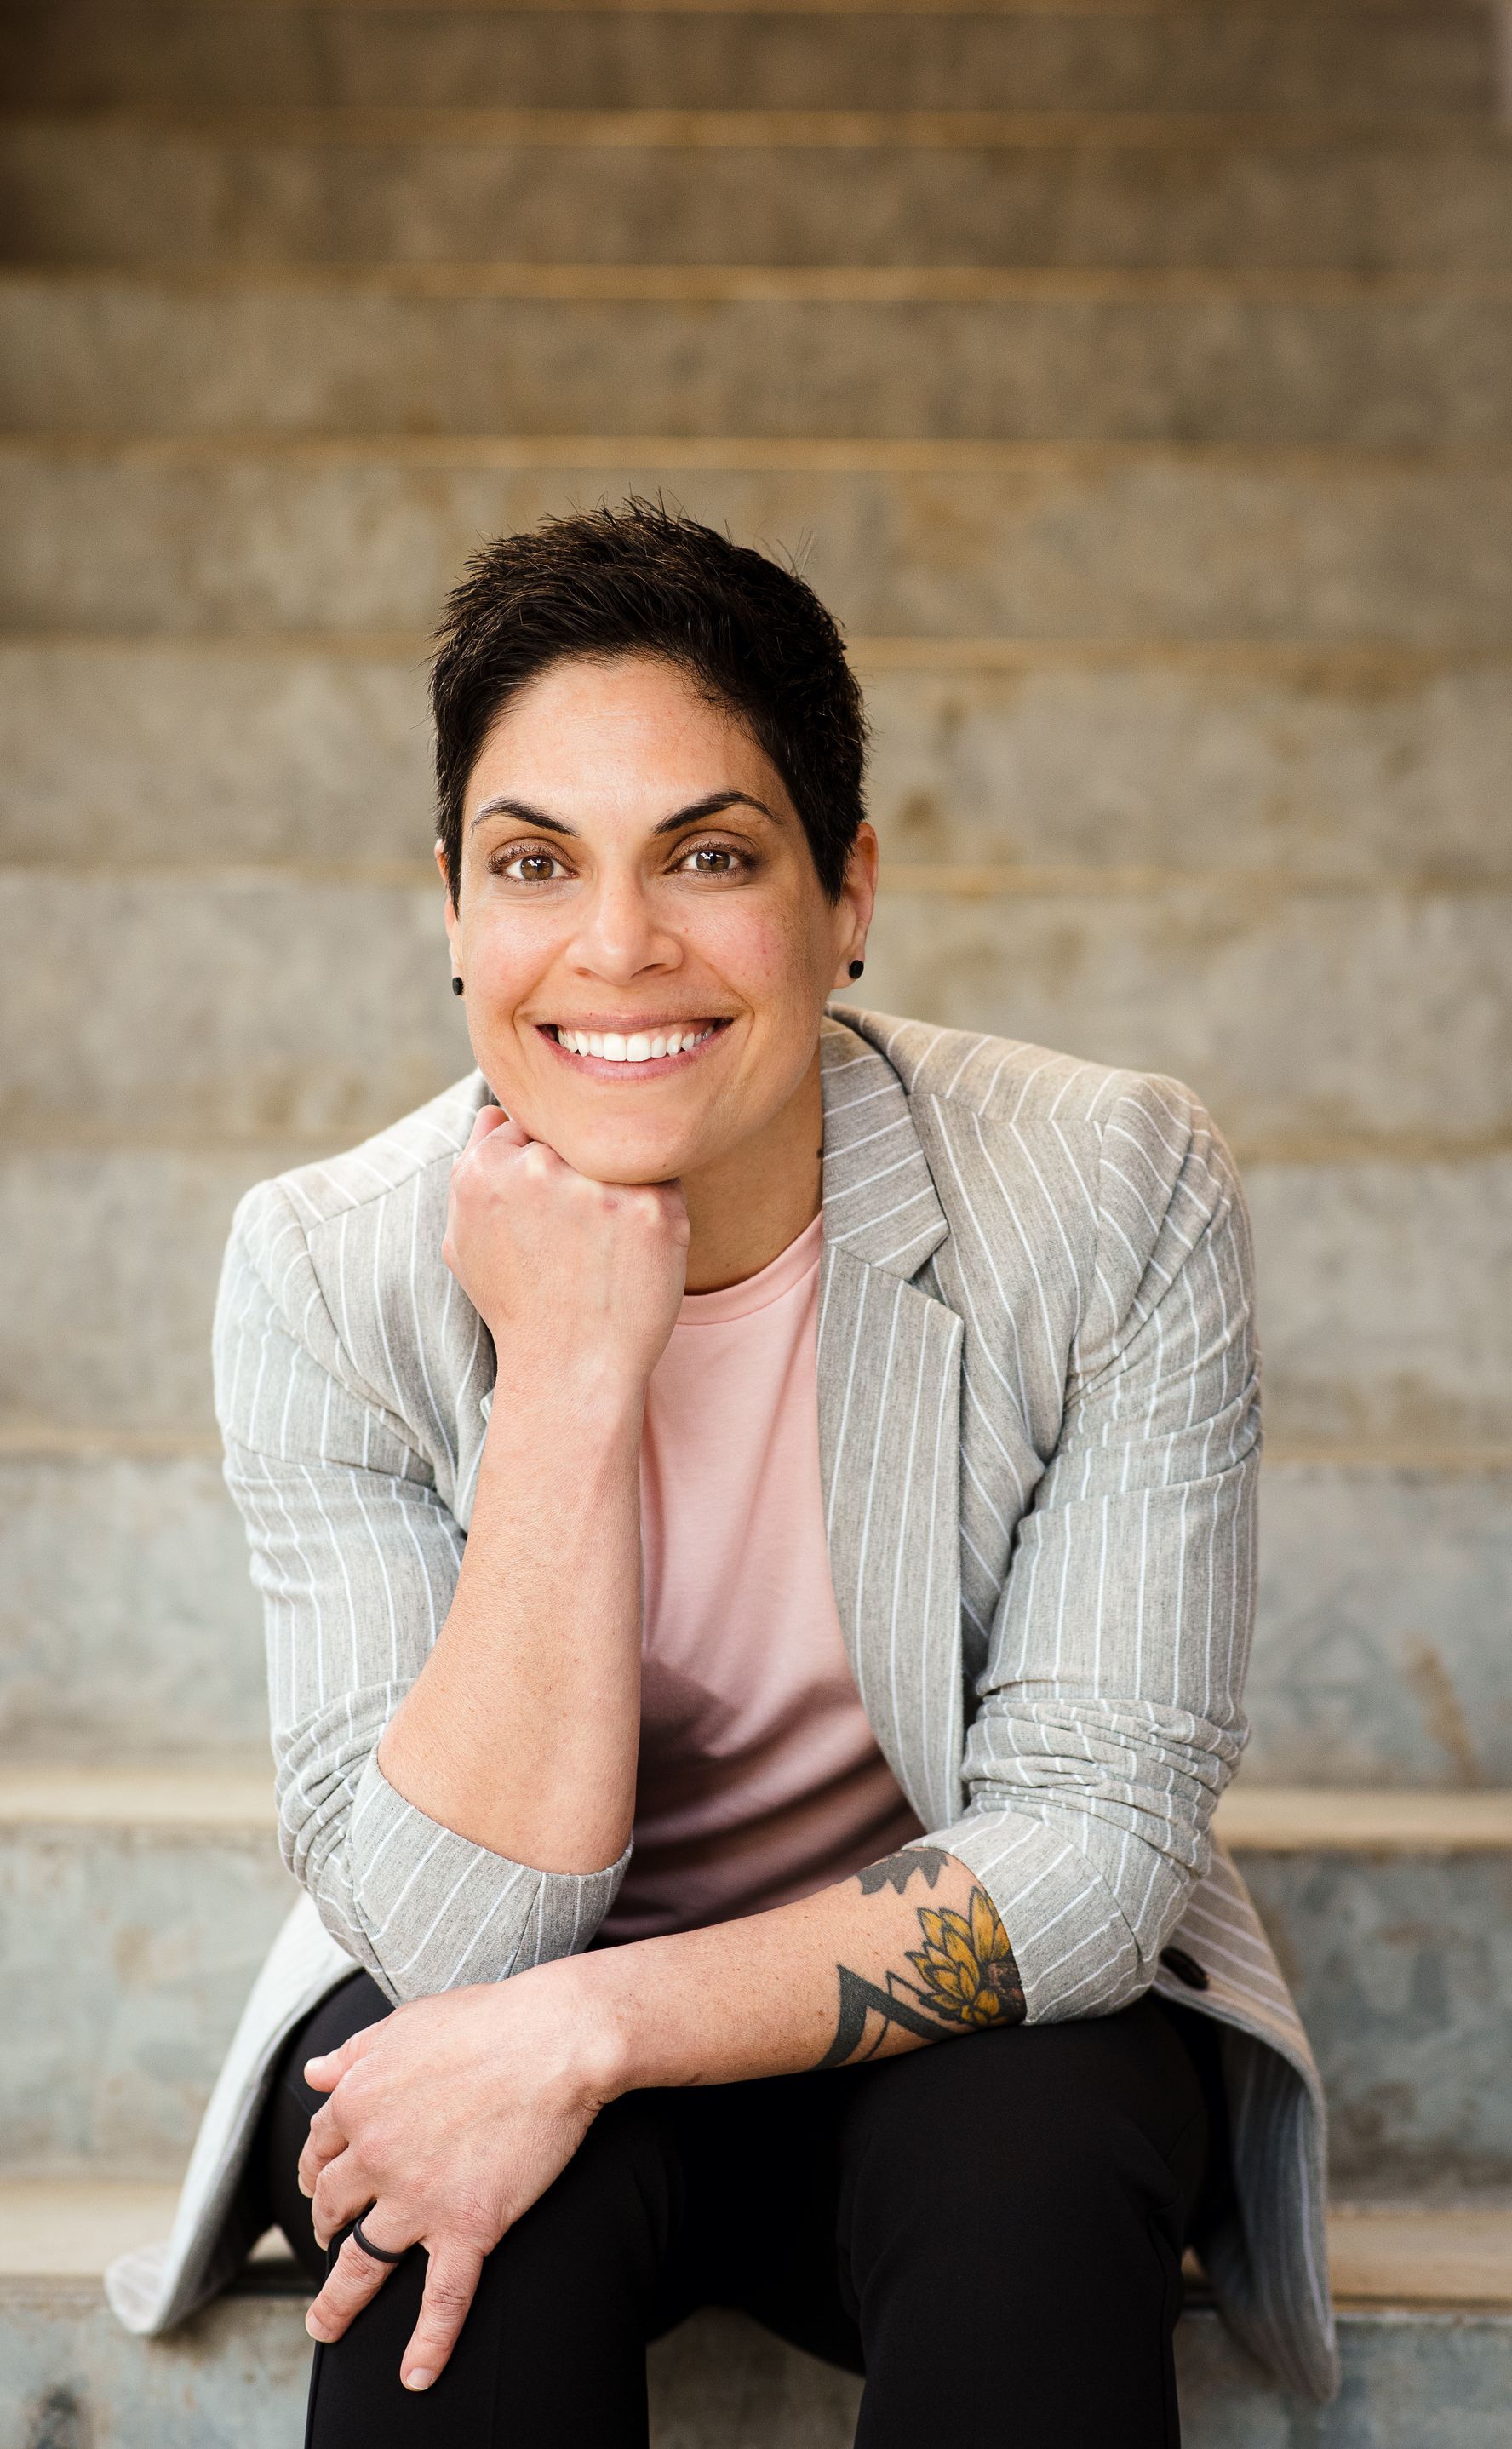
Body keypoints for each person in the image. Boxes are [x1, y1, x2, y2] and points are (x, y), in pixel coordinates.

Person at [105, 502, 1337, 2438]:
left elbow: (1097, 1855)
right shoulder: (324, 1266)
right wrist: (575, 1386)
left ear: (848, 891)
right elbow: (445, 1949)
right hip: (499, 1980)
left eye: (710, 853)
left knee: (1034, 2154)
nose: (615, 948)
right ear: (449, 907)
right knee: (445, 2204)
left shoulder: (1108, 1188)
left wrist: (593, 2025)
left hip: (955, 2030)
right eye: (534, 863)